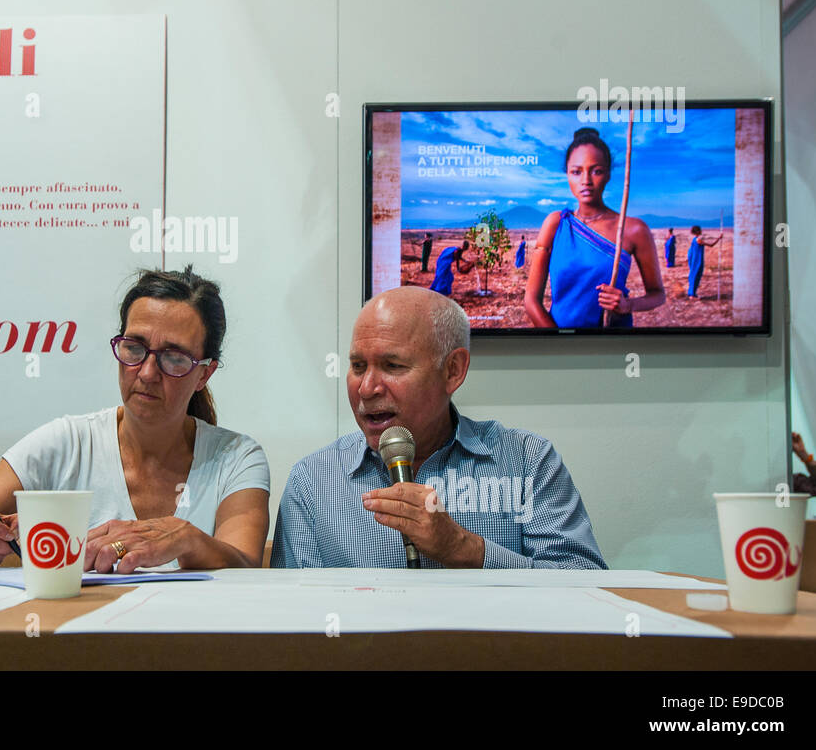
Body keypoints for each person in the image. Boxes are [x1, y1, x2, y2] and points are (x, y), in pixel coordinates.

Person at [0, 266, 270, 572]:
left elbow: (246, 567)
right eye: (134, 348)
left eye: (173, 357)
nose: (145, 373)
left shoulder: (236, 458)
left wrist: (187, 538)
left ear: (204, 373)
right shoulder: (65, 443)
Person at [271, 287, 605, 569]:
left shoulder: (527, 460)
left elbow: (585, 586)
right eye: (358, 366)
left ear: (453, 371)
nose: (367, 387)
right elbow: (295, 624)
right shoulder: (312, 481)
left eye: (392, 365)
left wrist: (465, 549)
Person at [524, 127, 665, 328]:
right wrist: (559, 346)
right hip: (559, 348)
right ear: (567, 175)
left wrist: (628, 305)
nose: (586, 181)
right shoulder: (556, 224)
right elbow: (531, 301)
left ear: (608, 174)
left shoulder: (632, 229)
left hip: (612, 349)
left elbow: (657, 295)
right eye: (576, 172)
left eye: (596, 171)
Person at [686, 225, 721, 298]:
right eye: (700, 230)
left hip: (695, 260)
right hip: (697, 260)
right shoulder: (698, 240)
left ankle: (692, 293)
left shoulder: (694, 239)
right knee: (695, 275)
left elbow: (690, 251)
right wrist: (719, 238)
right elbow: (711, 245)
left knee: (694, 275)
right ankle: (692, 295)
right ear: (698, 231)